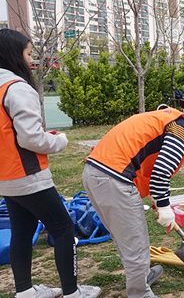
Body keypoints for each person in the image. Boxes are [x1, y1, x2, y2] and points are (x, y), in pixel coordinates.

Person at [83, 98, 184, 298]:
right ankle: (140, 293)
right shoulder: (182, 130)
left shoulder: (169, 118)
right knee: (136, 241)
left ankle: (141, 277)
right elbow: (160, 173)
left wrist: (158, 201)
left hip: (96, 172)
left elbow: (146, 159)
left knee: (125, 236)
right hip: (113, 178)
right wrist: (165, 207)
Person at [0, 28, 101, 298]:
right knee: (64, 228)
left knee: (22, 230)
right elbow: (30, 139)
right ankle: (72, 291)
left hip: (6, 177)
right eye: (29, 53)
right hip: (28, 175)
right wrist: (60, 141)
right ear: (13, 54)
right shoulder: (17, 89)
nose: (31, 60)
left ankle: (25, 291)